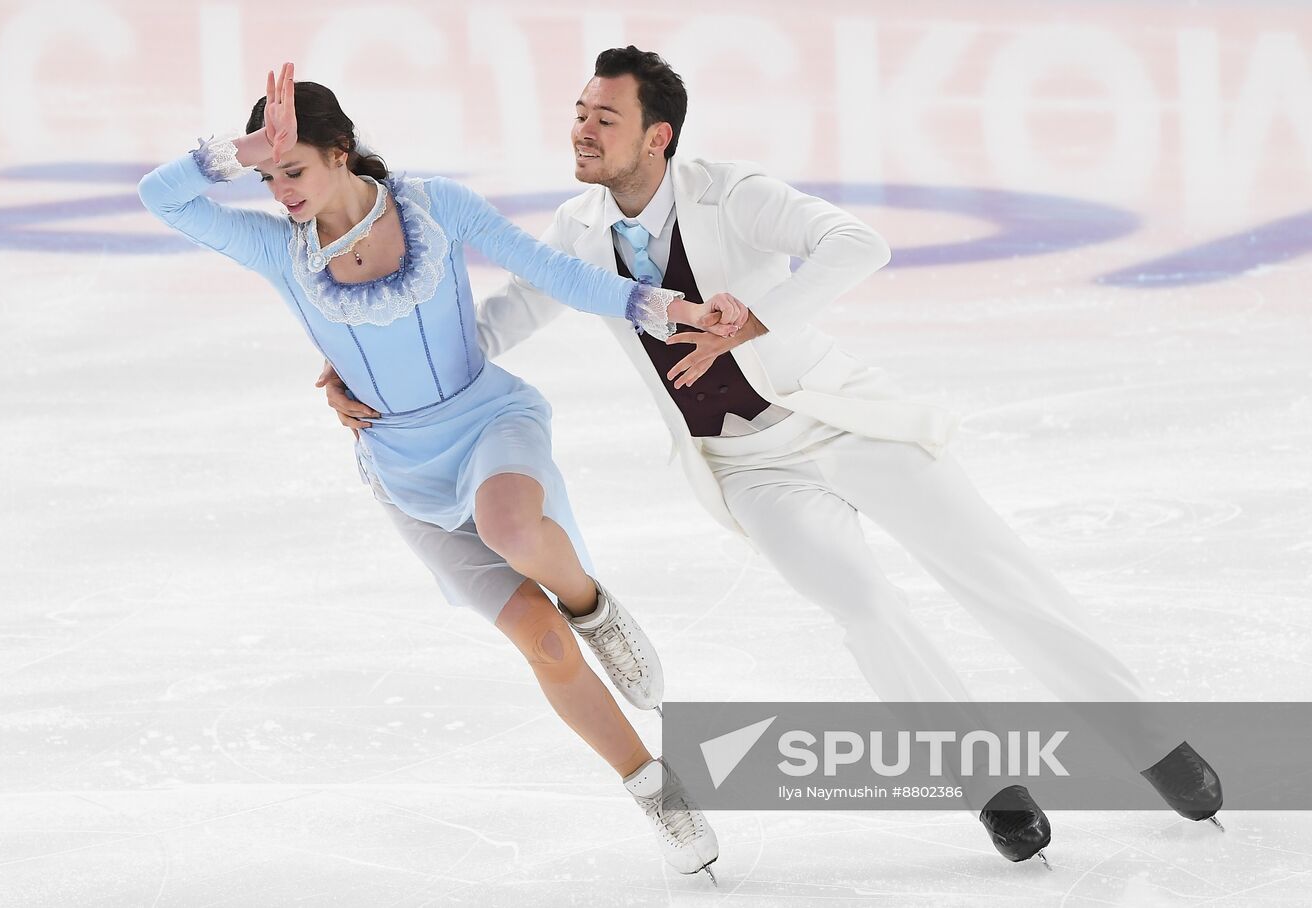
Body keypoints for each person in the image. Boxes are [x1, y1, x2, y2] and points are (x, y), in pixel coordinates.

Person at [319, 46, 1225, 866]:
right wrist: (381, 365)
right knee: (863, 606)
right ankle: (988, 787)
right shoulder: (576, 228)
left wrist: (758, 316)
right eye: (581, 112)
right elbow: (508, 316)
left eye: (606, 117)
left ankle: (1151, 743)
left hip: (838, 420)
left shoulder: (730, 191)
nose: (583, 130)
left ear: (657, 135)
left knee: (994, 573)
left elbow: (855, 243)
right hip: (745, 467)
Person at [138, 62, 724, 881]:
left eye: (294, 169)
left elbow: (551, 271)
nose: (281, 192)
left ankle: (596, 608)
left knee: (511, 526)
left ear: (342, 152)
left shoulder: (433, 208)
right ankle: (652, 786)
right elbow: (158, 197)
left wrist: (664, 309)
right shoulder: (281, 251)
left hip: (486, 419)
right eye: (268, 177)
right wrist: (244, 149)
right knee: (540, 641)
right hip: (401, 467)